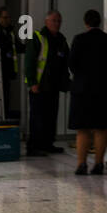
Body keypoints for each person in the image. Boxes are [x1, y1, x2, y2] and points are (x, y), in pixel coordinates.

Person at [68, 9, 107, 175]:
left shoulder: (79, 39)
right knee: (100, 127)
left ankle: (81, 164)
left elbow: (72, 64)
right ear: (100, 22)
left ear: (86, 22)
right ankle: (99, 164)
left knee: (82, 129)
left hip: (82, 88)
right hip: (103, 89)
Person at [23, 10, 70, 156]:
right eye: (54, 20)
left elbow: (65, 62)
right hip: (39, 85)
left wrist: (66, 82)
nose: (57, 23)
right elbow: (29, 61)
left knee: (51, 116)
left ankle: (48, 144)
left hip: (54, 85)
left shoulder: (61, 39)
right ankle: (34, 147)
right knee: (38, 117)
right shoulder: (37, 37)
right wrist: (32, 83)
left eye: (59, 21)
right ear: (46, 22)